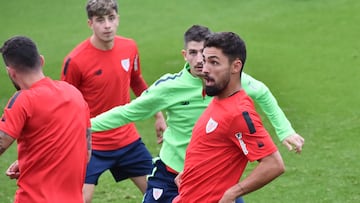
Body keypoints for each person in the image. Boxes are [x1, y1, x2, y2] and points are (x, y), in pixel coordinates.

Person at [90, 25, 304, 203]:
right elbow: (128, 112)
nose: (202, 62)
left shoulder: (230, 86)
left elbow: (264, 94)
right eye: (195, 53)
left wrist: (285, 130)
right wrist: (85, 124)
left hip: (216, 179)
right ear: (185, 55)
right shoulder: (171, 87)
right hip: (172, 173)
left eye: (209, 57)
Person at [60, 0, 166, 202]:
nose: (107, 25)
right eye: (100, 20)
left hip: (128, 140)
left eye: (111, 18)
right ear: (90, 23)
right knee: (79, 199)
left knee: (160, 194)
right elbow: (65, 103)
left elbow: (137, 81)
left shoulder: (129, 47)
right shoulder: (75, 60)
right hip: (92, 144)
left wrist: (158, 115)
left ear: (118, 19)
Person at [173, 31, 286, 203]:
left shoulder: (238, 112)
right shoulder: (219, 99)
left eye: (214, 63)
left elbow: (273, 164)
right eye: (205, 61)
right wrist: (191, 173)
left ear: (235, 66)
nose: (204, 69)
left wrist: (232, 193)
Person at [0, 36, 91, 203]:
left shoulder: (23, 99)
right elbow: (86, 152)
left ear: (11, 72)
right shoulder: (74, 94)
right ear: (41, 61)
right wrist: (35, 161)